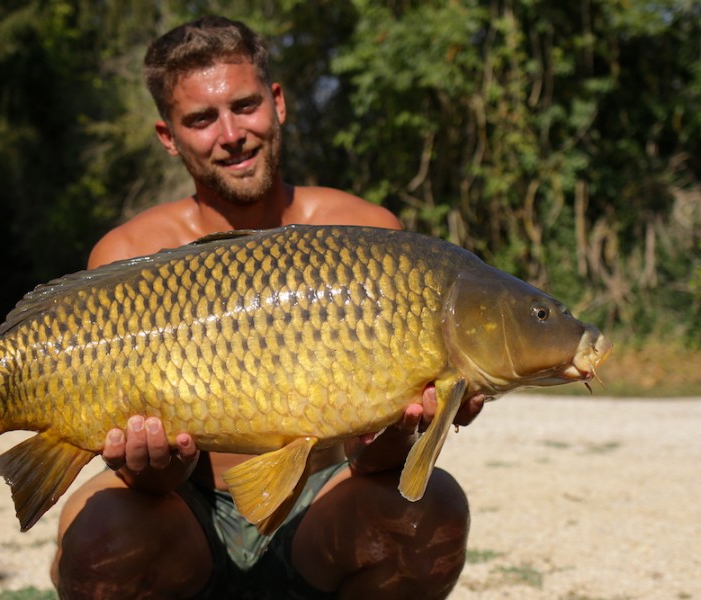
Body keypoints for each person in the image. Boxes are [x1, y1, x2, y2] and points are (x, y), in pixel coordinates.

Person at [51, 15, 484, 599]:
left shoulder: (368, 236)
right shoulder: (130, 255)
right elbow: (148, 483)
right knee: (101, 533)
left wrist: (411, 426)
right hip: (185, 515)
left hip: (321, 509)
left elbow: (379, 466)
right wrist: (148, 465)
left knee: (429, 511)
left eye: (245, 105)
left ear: (276, 102)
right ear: (167, 136)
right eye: (201, 119)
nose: (230, 134)